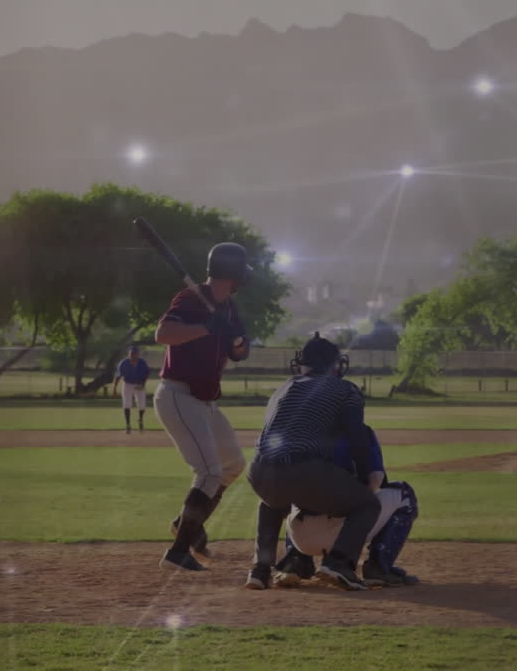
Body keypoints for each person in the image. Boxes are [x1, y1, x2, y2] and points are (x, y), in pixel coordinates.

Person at [243, 333, 380, 591]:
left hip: (258, 470)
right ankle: (339, 563)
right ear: (334, 364)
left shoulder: (284, 387)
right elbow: (356, 437)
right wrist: (363, 479)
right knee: (368, 504)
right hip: (301, 469)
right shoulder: (345, 389)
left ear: (301, 363)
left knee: (272, 501)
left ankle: (260, 570)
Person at [152, 242, 252, 571]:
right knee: (208, 471)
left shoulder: (228, 307)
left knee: (232, 465)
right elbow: (163, 333)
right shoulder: (191, 299)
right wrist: (205, 328)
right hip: (179, 395)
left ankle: (187, 524)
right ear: (232, 275)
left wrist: (236, 339)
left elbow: (239, 353)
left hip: (206, 400)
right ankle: (178, 552)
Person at [267, 423, 420, 589]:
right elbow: (375, 480)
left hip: (301, 539)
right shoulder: (360, 431)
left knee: (298, 491)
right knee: (404, 493)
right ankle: (378, 568)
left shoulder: (298, 430)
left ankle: (294, 561)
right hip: (345, 536)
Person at [113, 345, 151, 433]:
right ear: (128, 354)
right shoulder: (124, 363)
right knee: (127, 404)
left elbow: (147, 374)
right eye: (131, 354)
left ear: (138, 355)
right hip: (127, 384)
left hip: (139, 384)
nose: (133, 355)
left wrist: (143, 384)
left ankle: (140, 420)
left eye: (135, 353)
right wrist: (115, 389)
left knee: (142, 405)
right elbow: (118, 376)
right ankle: (128, 425)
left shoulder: (142, 363)